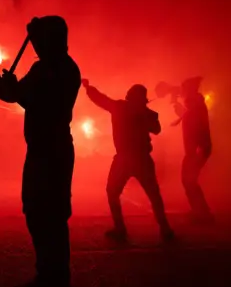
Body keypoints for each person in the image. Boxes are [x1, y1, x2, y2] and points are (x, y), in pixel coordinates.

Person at [0, 16, 81, 287]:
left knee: (45, 214)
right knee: (45, 215)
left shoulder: (52, 69)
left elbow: (21, 96)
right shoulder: (60, 66)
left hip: (50, 152)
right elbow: (19, 94)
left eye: (38, 39)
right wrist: (3, 84)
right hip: (50, 150)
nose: (35, 45)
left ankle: (52, 280)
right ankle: (52, 278)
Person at [82, 81, 175, 242]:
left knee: (116, 193)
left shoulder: (123, 108)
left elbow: (100, 99)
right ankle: (164, 229)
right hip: (136, 159)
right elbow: (157, 129)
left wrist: (88, 88)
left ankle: (121, 229)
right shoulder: (140, 111)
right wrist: (144, 113)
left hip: (130, 158)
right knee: (153, 195)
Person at [172, 76, 214, 224]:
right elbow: (188, 118)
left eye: (184, 89)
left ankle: (202, 214)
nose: (182, 92)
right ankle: (200, 211)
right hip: (195, 150)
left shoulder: (195, 104)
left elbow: (195, 126)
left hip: (196, 150)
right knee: (189, 180)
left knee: (189, 180)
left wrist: (197, 151)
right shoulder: (195, 105)